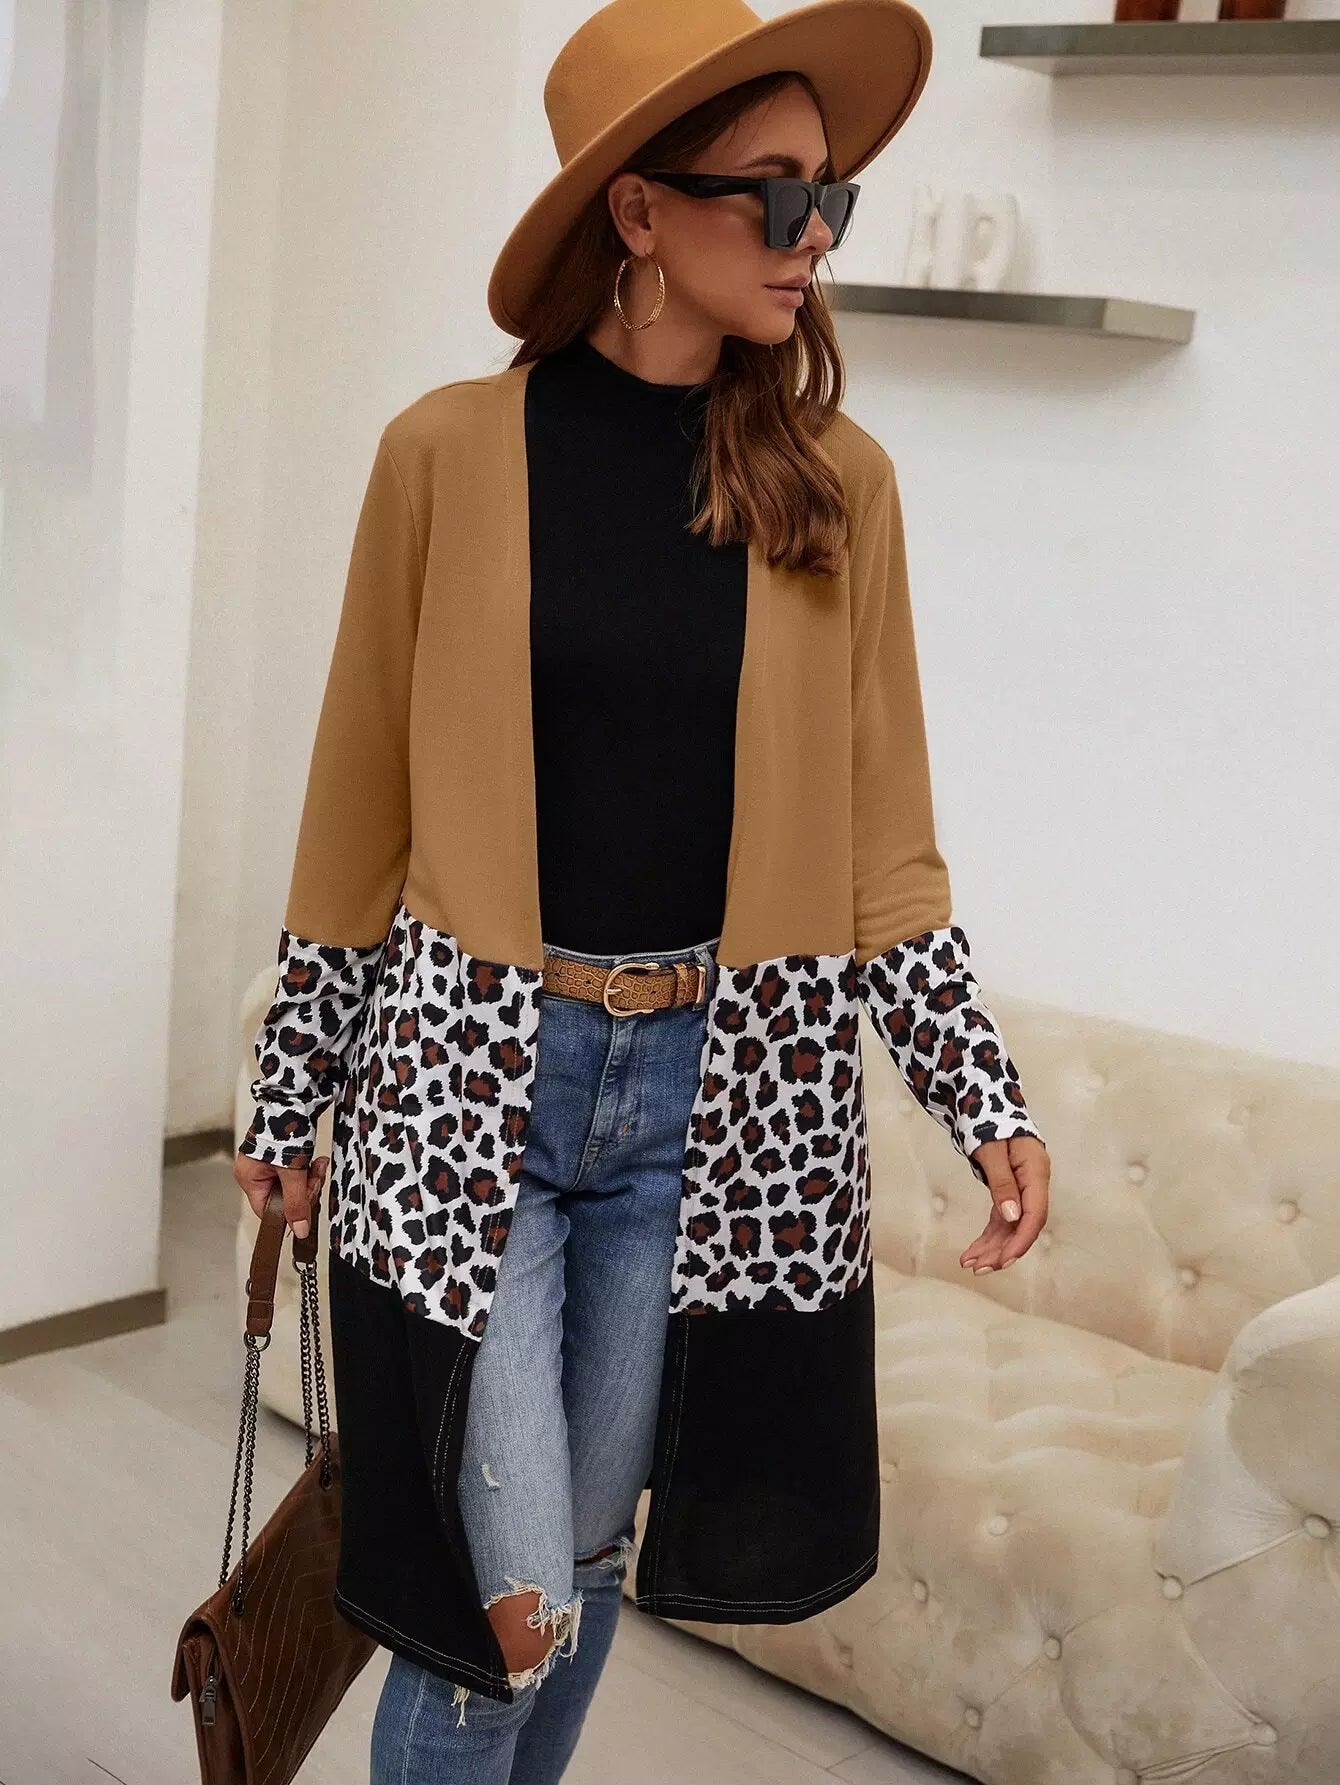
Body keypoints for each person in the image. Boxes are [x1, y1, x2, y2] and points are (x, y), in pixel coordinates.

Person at [234, 0, 1052, 1778]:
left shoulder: (836, 488)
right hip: (473, 1089)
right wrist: (290, 1097)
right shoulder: (446, 454)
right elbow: (357, 807)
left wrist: (982, 1098)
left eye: (830, 193)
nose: (817, 233)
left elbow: (885, 846)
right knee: (500, 1604)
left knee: (587, 1565)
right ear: (639, 216)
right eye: (777, 193)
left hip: (705, 1106)